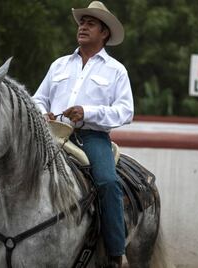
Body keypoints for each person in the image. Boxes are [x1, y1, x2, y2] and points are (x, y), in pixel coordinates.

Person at [33, 1, 133, 267]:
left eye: (91, 23)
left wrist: (87, 113)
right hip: (51, 135)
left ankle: (114, 252)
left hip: (91, 138)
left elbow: (126, 111)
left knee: (107, 183)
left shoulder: (116, 71)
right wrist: (44, 113)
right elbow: (37, 98)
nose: (83, 27)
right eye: (82, 22)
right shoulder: (59, 65)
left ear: (104, 33)